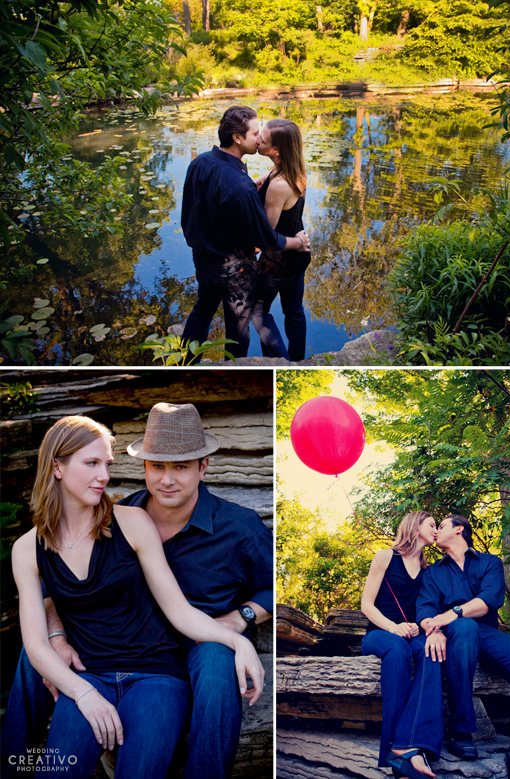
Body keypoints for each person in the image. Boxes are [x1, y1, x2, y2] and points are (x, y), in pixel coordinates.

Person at [1, 402, 273, 779]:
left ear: (203, 467)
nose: (167, 479)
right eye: (157, 466)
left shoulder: (237, 527)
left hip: (192, 643)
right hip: (103, 654)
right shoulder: (123, 515)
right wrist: (58, 636)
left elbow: (271, 586)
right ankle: (12, 765)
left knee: (216, 663)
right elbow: (56, 591)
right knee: (36, 658)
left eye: (180, 467)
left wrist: (242, 621)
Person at [416, 514, 510, 778]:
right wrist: (434, 630)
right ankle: (462, 730)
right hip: (453, 633)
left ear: (459, 530)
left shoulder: (490, 562)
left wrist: (453, 611)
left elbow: (489, 600)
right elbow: (426, 611)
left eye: (440, 526)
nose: (436, 531)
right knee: (464, 627)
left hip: (487, 632)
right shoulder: (432, 572)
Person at [180, 105, 310, 361]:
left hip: (204, 258)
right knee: (237, 326)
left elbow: (197, 208)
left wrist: (254, 184)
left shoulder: (200, 163)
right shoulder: (241, 185)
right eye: (255, 133)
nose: (259, 138)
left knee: (202, 311)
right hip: (234, 268)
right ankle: (236, 367)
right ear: (237, 138)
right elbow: (265, 238)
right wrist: (296, 241)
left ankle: (184, 363)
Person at [361, 511, 443, 779]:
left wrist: (418, 626)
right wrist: (393, 628)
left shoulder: (428, 571)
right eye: (431, 525)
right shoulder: (386, 556)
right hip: (379, 634)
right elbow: (367, 605)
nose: (435, 530)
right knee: (398, 650)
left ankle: (413, 743)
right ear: (415, 525)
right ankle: (393, 751)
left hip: (410, 634)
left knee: (432, 652)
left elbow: (424, 611)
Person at [251, 118, 311, 361]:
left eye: (262, 140)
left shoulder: (279, 185)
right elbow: (263, 182)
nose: (256, 140)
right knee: (294, 310)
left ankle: (279, 361)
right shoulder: (292, 169)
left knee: (257, 310)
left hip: (281, 259)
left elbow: (266, 236)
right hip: (299, 257)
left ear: (276, 150)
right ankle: (298, 359)